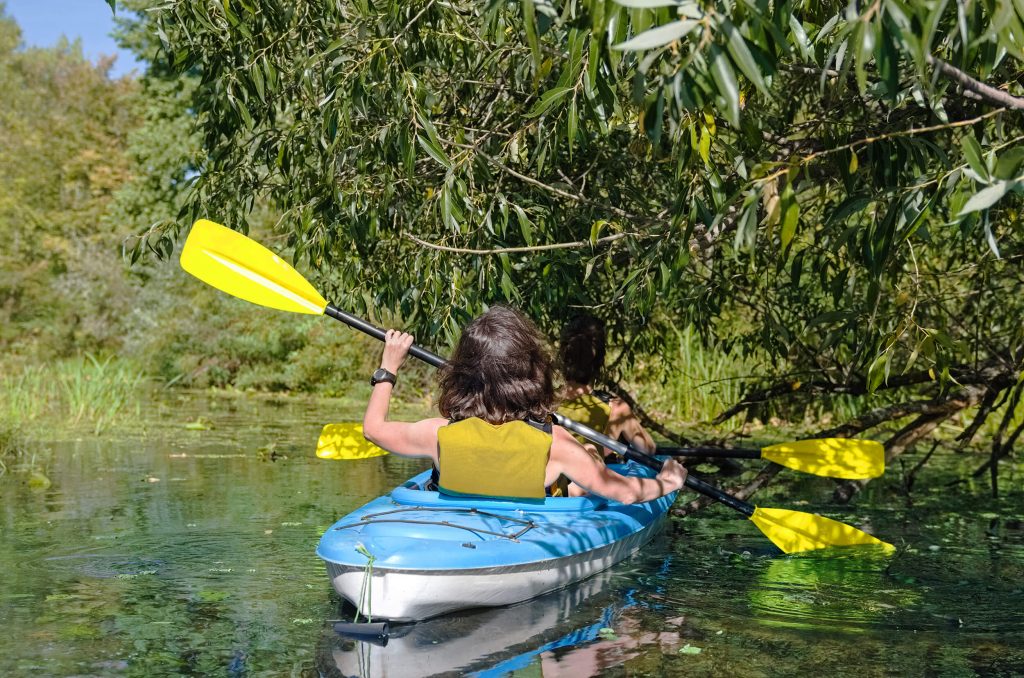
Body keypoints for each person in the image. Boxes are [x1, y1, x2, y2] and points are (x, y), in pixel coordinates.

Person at [361, 306, 686, 504]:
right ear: (532, 373)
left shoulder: (436, 434)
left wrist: (388, 368)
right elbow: (626, 493)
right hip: (525, 536)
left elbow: (373, 430)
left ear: (464, 373)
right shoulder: (554, 443)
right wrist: (668, 481)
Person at [558, 315, 655, 460]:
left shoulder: (542, 401)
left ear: (563, 358)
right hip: (589, 481)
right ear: (600, 362)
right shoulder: (616, 409)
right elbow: (648, 449)